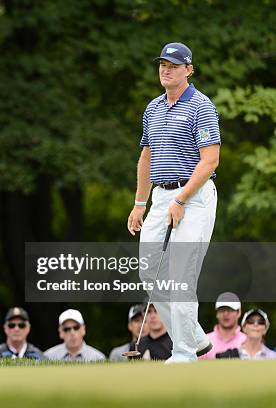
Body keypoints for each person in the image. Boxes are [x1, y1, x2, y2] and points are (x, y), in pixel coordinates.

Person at [127, 42, 220, 363]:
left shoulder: (201, 106)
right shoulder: (152, 108)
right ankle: (196, 338)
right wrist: (140, 203)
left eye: (174, 65)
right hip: (160, 197)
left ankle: (184, 353)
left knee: (181, 274)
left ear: (188, 70)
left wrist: (181, 199)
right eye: (163, 64)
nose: (166, 69)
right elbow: (146, 156)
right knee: (150, 273)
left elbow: (210, 161)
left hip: (194, 197)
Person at [200, 292, 246, 360]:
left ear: (239, 312)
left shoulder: (247, 341)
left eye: (230, 310)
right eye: (222, 310)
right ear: (217, 314)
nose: (225, 314)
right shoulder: (204, 342)